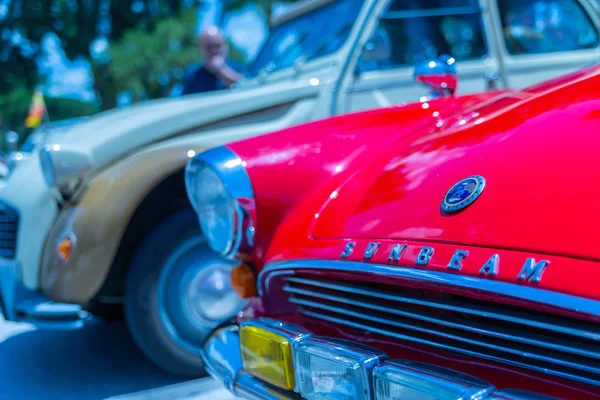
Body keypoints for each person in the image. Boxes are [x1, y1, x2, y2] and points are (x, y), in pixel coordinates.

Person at [181, 26, 243, 95]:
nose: (213, 51)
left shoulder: (237, 68)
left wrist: (221, 69)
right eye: (209, 47)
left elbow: (246, 87)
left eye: (217, 46)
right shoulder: (192, 75)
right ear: (201, 49)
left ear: (225, 46)